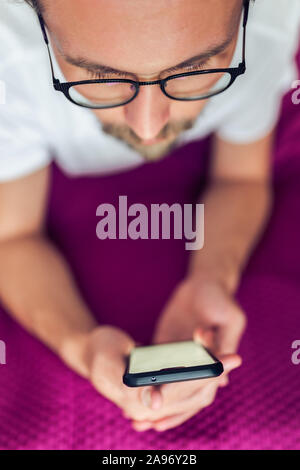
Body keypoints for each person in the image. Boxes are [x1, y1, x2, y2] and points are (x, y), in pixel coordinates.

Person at [0, 0, 299, 434]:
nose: (148, 127)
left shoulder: (266, 26)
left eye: (196, 68)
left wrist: (213, 278)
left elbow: (241, 181)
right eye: (100, 76)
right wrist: (81, 345)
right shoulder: (8, 62)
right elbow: (12, 236)